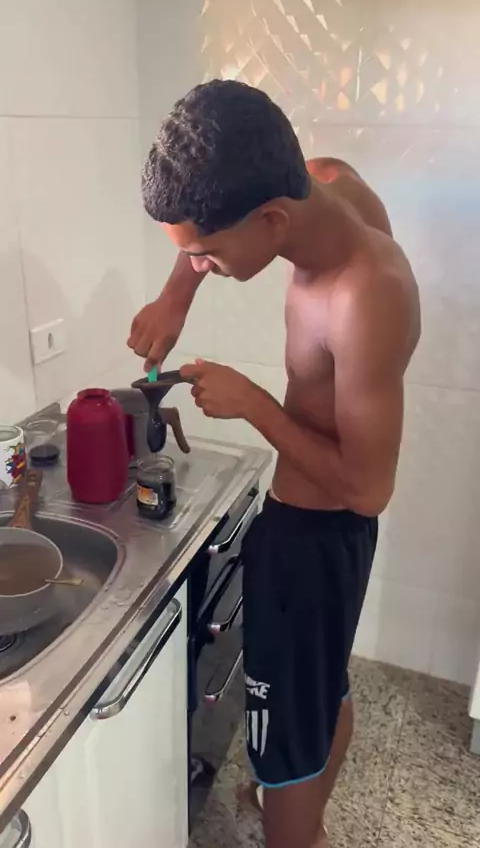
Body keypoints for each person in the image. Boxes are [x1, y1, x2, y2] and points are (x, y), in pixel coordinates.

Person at [128, 80, 420, 848]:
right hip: (324, 543)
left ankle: (298, 832)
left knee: (282, 743)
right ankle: (306, 821)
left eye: (205, 254)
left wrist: (253, 402)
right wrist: (176, 296)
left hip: (315, 540)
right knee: (322, 691)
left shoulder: (365, 293)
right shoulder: (321, 180)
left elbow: (370, 487)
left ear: (271, 223)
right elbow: (221, 221)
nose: (200, 264)